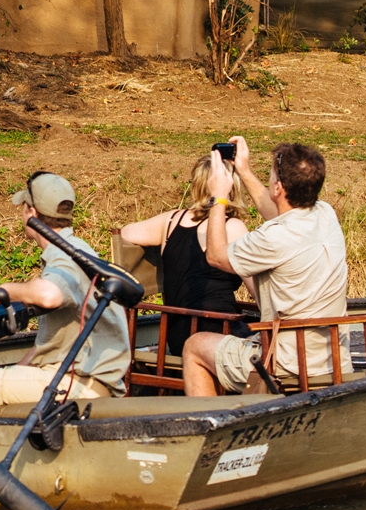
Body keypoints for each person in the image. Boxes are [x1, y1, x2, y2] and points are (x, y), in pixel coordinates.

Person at [0, 172, 131, 417]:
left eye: (23, 207)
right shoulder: (79, 249)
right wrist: (19, 369)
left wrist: (8, 289)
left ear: (31, 213)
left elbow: (49, 296)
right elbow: (56, 342)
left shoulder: (64, 258)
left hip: (80, 384)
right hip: (88, 378)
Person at [182, 137, 350, 396]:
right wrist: (244, 171)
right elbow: (278, 212)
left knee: (195, 346)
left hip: (286, 365)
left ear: (278, 188)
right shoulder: (325, 214)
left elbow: (216, 256)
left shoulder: (272, 238)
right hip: (333, 359)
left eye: (271, 176)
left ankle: (212, 429)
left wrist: (219, 199)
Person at [118, 157, 252, 361]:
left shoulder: (171, 221)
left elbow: (126, 233)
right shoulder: (232, 228)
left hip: (176, 335)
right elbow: (257, 289)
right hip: (218, 332)